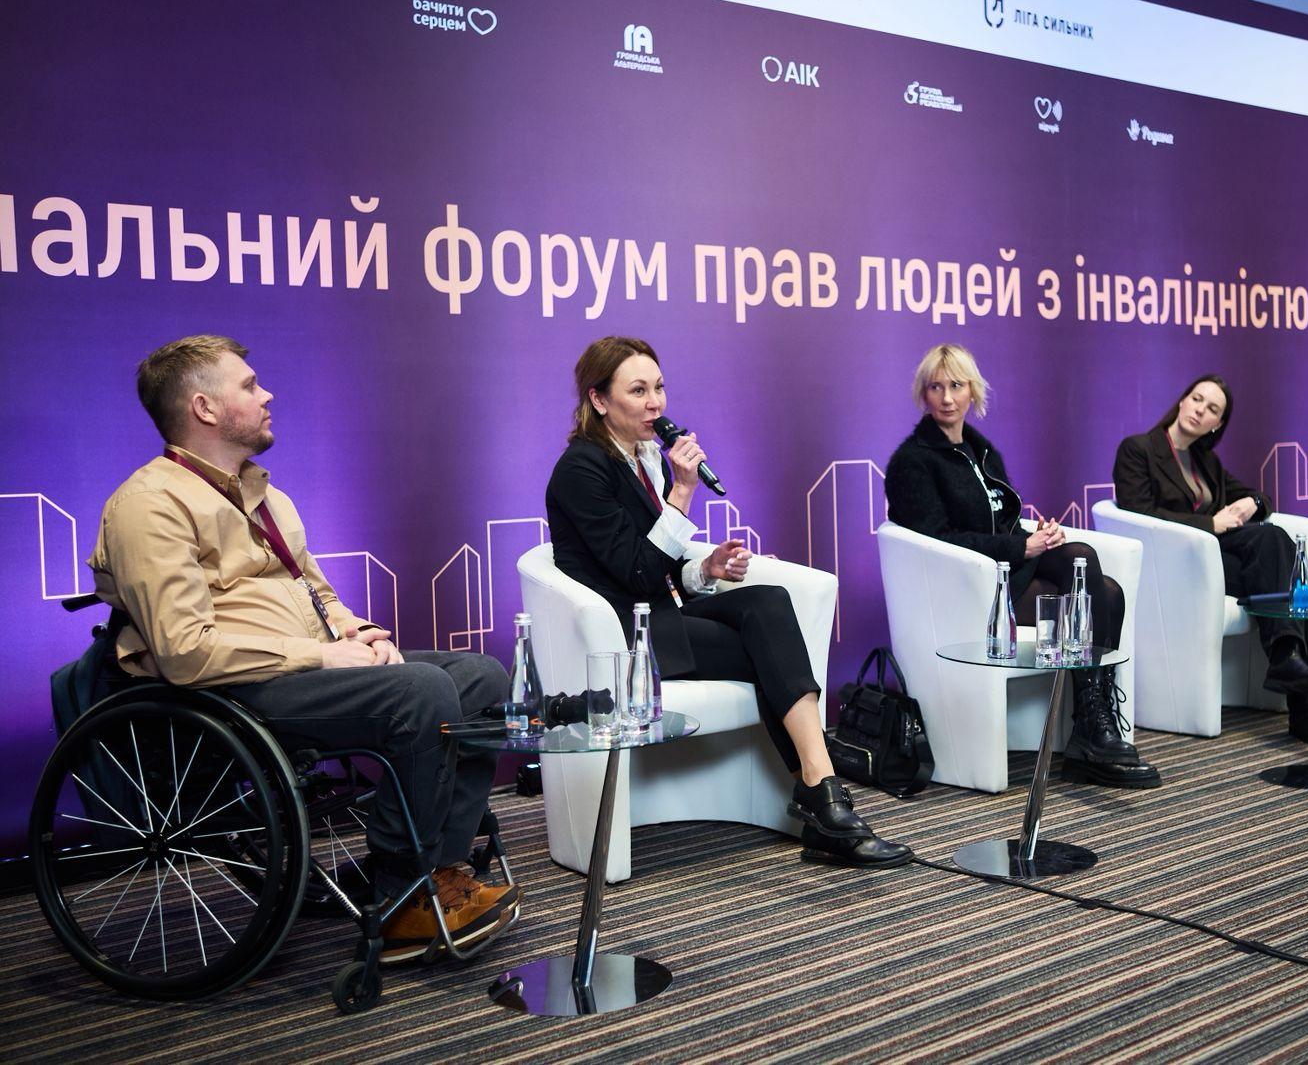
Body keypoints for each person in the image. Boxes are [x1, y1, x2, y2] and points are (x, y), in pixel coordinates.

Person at [89, 334, 517, 965]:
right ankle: (403, 894)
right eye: (249, 385)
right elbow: (184, 651)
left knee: (480, 677)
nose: (267, 395)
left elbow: (317, 592)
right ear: (205, 408)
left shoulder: (264, 496)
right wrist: (321, 657)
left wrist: (354, 633)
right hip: (230, 690)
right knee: (423, 691)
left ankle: (442, 871)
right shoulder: (148, 506)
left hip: (308, 666)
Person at [545, 336, 911, 869]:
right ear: (599, 400)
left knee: (768, 603)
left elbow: (662, 566)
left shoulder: (643, 458)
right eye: (638, 391)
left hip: (662, 612)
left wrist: (704, 569)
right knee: (770, 650)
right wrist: (682, 493)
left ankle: (821, 788)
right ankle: (824, 798)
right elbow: (636, 571)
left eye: (659, 388)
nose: (656, 403)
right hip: (626, 635)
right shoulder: (581, 470)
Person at [884, 344, 1161, 788]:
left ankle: (1093, 726)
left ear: (972, 391)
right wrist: (1021, 548)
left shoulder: (982, 451)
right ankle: (1091, 730)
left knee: (1097, 578)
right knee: (1098, 589)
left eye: (956, 385)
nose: (947, 398)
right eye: (936, 387)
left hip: (1005, 566)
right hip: (972, 585)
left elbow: (1004, 520)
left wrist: (1037, 537)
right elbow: (938, 540)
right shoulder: (912, 462)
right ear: (923, 394)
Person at [1112, 374, 1308, 745]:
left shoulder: (1206, 461)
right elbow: (1139, 511)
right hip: (1174, 564)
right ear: (1182, 400)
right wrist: (1210, 524)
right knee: (1276, 557)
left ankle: (1290, 667)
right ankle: (1303, 694)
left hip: (1214, 566)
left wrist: (1254, 501)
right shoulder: (1138, 449)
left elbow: (1259, 498)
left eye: (1212, 409)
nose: (1200, 410)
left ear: (1217, 424)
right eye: (1196, 399)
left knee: (1274, 545)